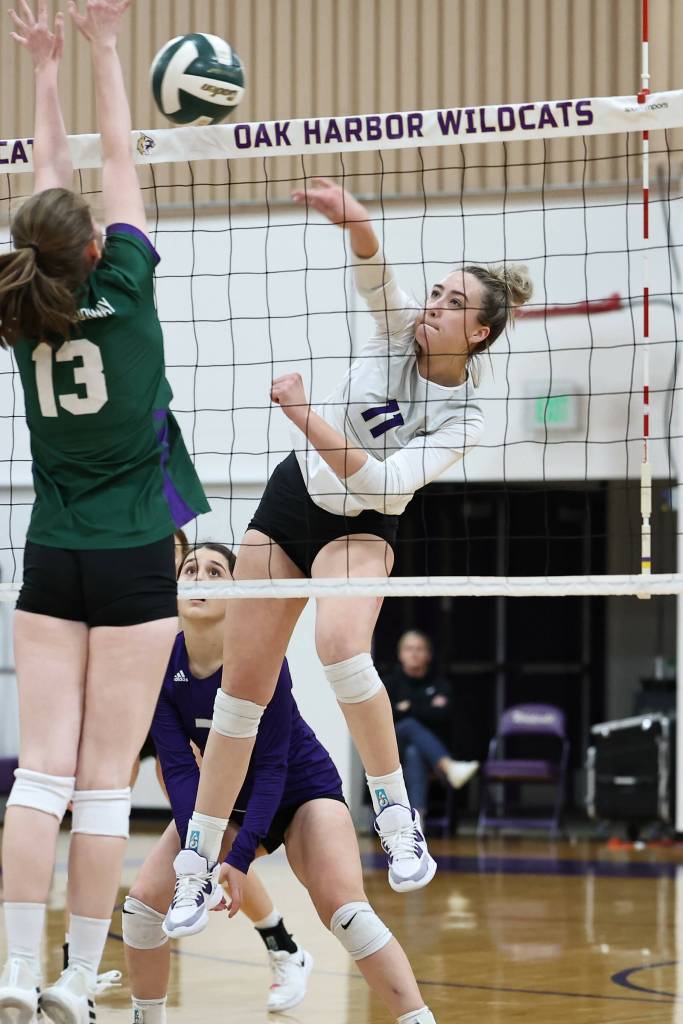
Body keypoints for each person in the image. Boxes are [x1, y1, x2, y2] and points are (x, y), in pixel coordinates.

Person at [166, 178, 533, 921]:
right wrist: (353, 216)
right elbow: (374, 270)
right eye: (437, 292)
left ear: (479, 334)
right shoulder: (396, 330)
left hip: (363, 523)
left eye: (454, 303)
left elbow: (383, 482)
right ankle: (197, 860)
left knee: (340, 647)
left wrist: (305, 415)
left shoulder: (467, 415)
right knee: (241, 691)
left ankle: (397, 818)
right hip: (291, 503)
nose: (434, 306)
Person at [0, 3, 208, 1022]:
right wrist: (103, 52)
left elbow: (49, 192)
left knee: (37, 776)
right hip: (133, 557)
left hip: (52, 551)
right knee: (99, 785)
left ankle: (11, 972)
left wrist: (41, 74)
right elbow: (117, 158)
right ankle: (79, 980)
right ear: (94, 248)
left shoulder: (17, 300)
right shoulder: (124, 283)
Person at [131, 544, 437, 1024]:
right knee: (141, 907)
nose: (200, 578)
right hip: (225, 802)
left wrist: (237, 859)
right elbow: (180, 772)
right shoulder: (162, 668)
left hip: (301, 793)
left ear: (239, 592)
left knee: (347, 914)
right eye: (190, 570)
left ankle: (417, 1018)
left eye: (215, 571)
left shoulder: (261, 658)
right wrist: (201, 855)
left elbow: (273, 769)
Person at [386, 630, 479, 823]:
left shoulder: (440, 684)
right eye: (409, 649)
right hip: (393, 749)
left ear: (428, 655)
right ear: (400, 654)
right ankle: (449, 766)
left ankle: (417, 819)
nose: (414, 653)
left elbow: (443, 715)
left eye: (419, 649)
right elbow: (389, 716)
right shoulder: (389, 683)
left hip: (426, 753)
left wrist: (408, 707)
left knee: (414, 752)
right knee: (408, 725)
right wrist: (425, 705)